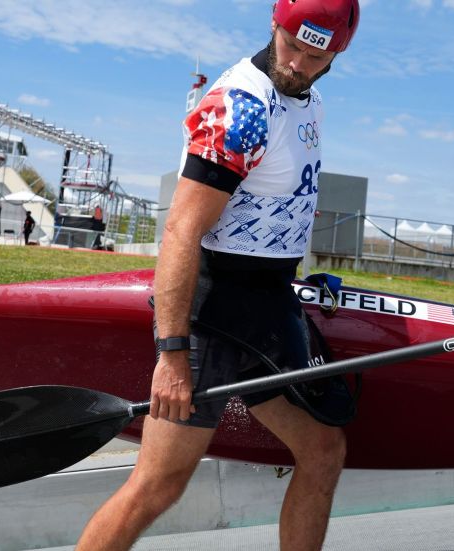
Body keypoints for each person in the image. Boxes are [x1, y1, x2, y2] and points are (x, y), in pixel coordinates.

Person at [76, 1, 359, 549]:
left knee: (324, 451)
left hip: (267, 306)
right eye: (291, 45)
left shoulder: (310, 101)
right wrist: (173, 355)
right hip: (212, 315)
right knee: (159, 484)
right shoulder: (241, 107)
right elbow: (181, 230)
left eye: (314, 54)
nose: (298, 63)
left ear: (336, 54)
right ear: (274, 26)